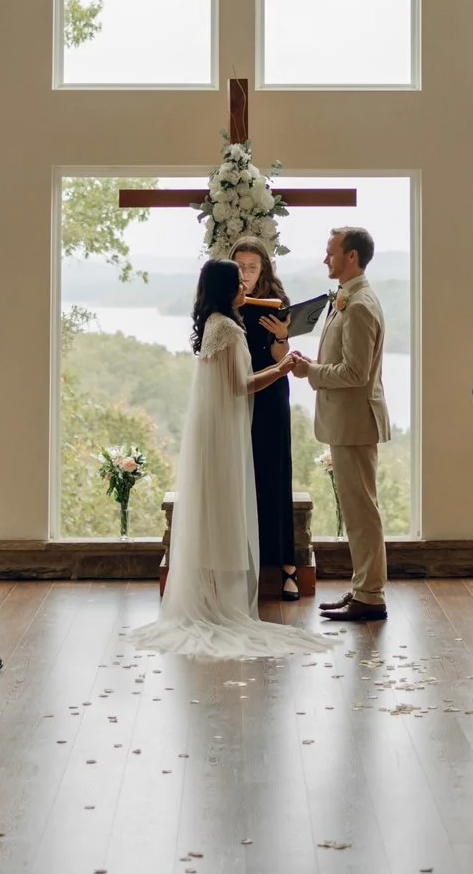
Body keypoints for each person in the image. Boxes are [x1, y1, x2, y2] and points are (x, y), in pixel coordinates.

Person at [121, 262, 326, 659]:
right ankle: (221, 603)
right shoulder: (230, 329)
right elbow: (240, 386)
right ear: (224, 288)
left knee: (211, 508)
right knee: (227, 508)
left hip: (209, 433)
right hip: (227, 433)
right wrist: (281, 369)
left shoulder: (212, 324)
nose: (243, 287)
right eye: (237, 282)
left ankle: (208, 593)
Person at [289, 226, 392, 623]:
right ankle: (363, 588)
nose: (325, 258)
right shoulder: (348, 298)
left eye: (330, 251)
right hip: (347, 422)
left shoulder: (361, 304)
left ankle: (371, 594)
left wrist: (309, 371)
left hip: (356, 422)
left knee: (362, 510)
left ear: (352, 256)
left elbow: (355, 372)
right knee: (356, 509)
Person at [231, 234, 300, 600]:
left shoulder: (278, 302)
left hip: (271, 393)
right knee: (239, 475)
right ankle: (240, 564)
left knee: (275, 474)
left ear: (263, 270)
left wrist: (283, 335)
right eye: (240, 267)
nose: (246, 273)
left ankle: (287, 568)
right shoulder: (225, 303)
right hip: (235, 393)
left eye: (252, 267)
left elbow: (281, 361)